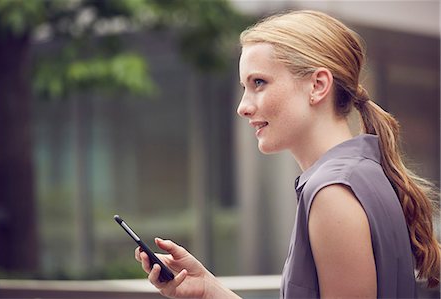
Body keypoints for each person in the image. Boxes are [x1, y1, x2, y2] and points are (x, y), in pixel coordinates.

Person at [135, 10, 440, 298]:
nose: (243, 106)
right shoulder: (362, 174)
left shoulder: (332, 192)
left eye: (259, 83)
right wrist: (209, 290)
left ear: (318, 85)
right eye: (245, 86)